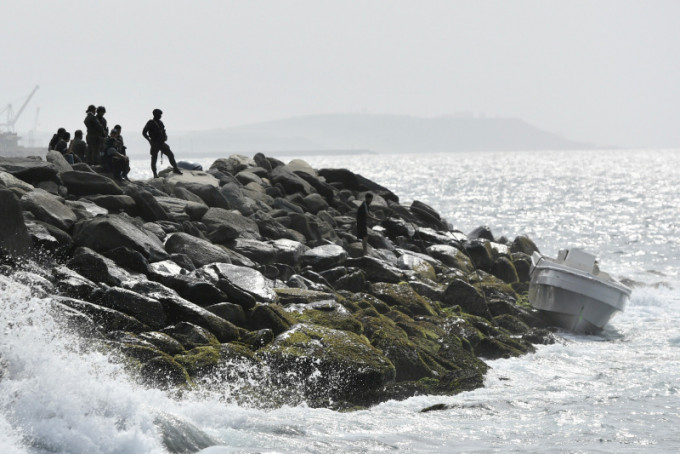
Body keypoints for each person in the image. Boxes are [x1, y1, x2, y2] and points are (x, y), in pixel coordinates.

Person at [142, 108, 182, 178]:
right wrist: (149, 140)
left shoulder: (160, 122)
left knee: (170, 154)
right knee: (154, 158)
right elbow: (144, 132)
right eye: (159, 115)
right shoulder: (150, 122)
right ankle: (155, 174)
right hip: (154, 143)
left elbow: (163, 131)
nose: (160, 116)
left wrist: (165, 136)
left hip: (161, 143)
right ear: (155, 115)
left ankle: (175, 168)